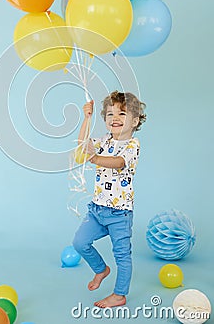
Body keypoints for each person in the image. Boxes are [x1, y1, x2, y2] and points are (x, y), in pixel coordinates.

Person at [72, 90, 146, 308]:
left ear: (135, 121)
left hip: (119, 213)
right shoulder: (104, 140)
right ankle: (100, 269)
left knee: (122, 255)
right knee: (79, 242)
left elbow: (118, 163)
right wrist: (87, 118)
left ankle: (119, 295)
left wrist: (94, 158)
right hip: (97, 210)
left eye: (122, 114)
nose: (115, 118)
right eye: (110, 114)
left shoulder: (133, 144)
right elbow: (82, 143)